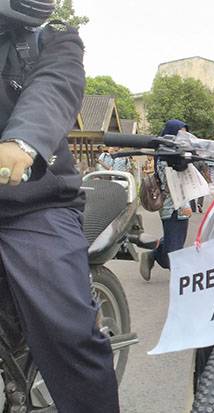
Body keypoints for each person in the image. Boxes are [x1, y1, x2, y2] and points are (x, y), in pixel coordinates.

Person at [0, 3, 119, 412]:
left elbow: (53, 89)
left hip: (34, 205)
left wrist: (22, 142)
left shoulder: (53, 41)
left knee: (68, 332)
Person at [140, 119, 193, 281]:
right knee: (174, 247)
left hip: (176, 206)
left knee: (174, 241)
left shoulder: (173, 154)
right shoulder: (167, 157)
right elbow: (173, 185)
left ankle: (153, 255)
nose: (183, 138)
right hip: (174, 206)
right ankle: (181, 279)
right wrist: (184, 205)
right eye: (180, 134)